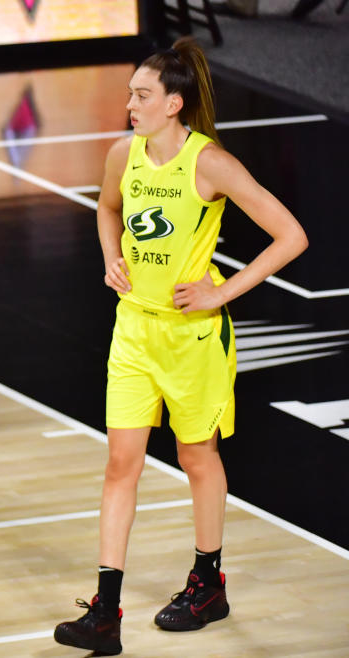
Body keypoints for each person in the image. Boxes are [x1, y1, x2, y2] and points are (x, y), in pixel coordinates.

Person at [54, 37, 307, 655]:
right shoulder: (123, 154)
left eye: (142, 96)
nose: (130, 106)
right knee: (121, 464)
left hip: (193, 341)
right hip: (134, 330)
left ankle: (207, 583)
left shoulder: (209, 163)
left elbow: (290, 235)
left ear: (175, 104)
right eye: (129, 95)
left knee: (198, 458)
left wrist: (224, 293)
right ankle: (105, 612)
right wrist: (112, 255)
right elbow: (107, 209)